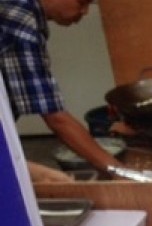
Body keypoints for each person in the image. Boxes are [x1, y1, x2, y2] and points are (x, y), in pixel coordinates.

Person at [0, 0, 123, 178]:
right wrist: (118, 170)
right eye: (81, 3)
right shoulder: (21, 24)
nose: (85, 12)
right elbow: (56, 118)